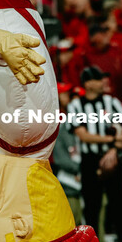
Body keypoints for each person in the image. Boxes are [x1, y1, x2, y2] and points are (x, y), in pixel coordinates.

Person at [67, 66, 122, 242]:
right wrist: (112, 140)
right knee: (92, 211)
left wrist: (115, 148)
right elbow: (83, 135)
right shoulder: (76, 105)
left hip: (113, 158)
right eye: (99, 80)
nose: (102, 83)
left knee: (120, 210)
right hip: (91, 161)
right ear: (88, 83)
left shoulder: (112, 102)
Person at [53, 83, 82, 226]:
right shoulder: (55, 117)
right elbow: (59, 155)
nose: (68, 98)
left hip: (79, 176)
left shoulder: (74, 116)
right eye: (63, 94)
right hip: (63, 176)